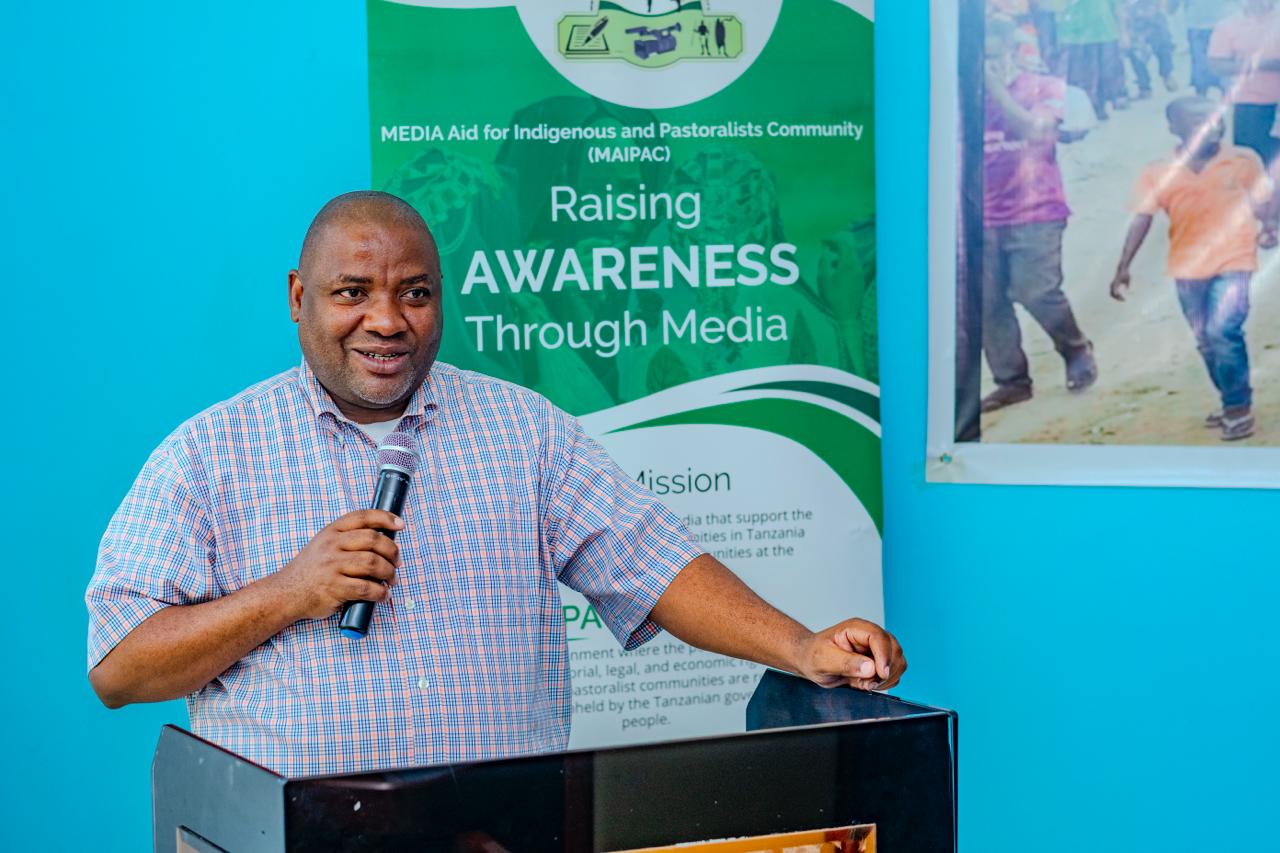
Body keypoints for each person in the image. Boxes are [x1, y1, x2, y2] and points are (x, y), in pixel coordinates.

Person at [85, 192, 906, 777]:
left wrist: (802, 647)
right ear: (300, 298)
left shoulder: (523, 430)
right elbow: (119, 667)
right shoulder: (210, 453)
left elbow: (654, 562)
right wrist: (290, 592)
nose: (386, 320)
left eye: (415, 293)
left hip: (499, 832)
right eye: (352, 293)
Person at [1109, 97, 1273, 440]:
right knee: (1205, 341)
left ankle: (1238, 408)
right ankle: (1230, 396)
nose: (1212, 126)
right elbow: (1141, 218)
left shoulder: (1243, 160)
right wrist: (1123, 267)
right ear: (1174, 128)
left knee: (1223, 331)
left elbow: (1264, 200)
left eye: (1217, 118)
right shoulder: (1158, 172)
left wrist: (1270, 225)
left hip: (1235, 258)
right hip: (1186, 266)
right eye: (1199, 121)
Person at [981, 17, 1097, 413]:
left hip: (1036, 210)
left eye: (992, 56)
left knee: (1037, 291)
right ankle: (1012, 381)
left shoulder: (1044, 88)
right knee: (986, 303)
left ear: (1013, 51)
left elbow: (1034, 132)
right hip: (977, 216)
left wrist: (992, 86)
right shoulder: (956, 97)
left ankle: (1075, 348)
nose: (987, 64)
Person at [1209, 0, 1280, 244]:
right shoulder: (1228, 26)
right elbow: (1217, 65)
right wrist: (1264, 65)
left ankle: (1273, 219)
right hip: (1250, 104)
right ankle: (1260, 219)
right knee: (1252, 162)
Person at [1056, 0, 1130, 120]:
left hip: (1105, 33)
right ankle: (1084, 110)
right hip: (1076, 35)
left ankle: (1099, 107)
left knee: (1106, 74)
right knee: (1080, 77)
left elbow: (1118, 7)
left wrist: (1124, 31)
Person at [1172, 0, 1238, 96]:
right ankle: (1202, 98)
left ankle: (1225, 99)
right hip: (1198, 27)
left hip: (1222, 26)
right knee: (1202, 70)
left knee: (1222, 69)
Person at [1121, 0, 1177, 98]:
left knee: (1164, 46)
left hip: (1154, 18)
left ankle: (1167, 75)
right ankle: (1144, 87)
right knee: (1136, 54)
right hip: (1134, 21)